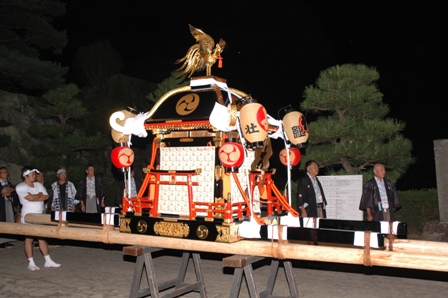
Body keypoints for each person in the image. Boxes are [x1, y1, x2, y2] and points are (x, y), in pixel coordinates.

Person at [15, 166, 61, 271]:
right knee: (29, 239)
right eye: (32, 174)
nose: (34, 176)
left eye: (34, 174)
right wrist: (38, 196)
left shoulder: (38, 185)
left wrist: (36, 196)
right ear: (25, 176)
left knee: (42, 238)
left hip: (39, 216)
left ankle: (48, 260)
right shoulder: (20, 187)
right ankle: (31, 262)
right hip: (28, 216)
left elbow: (46, 196)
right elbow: (30, 198)